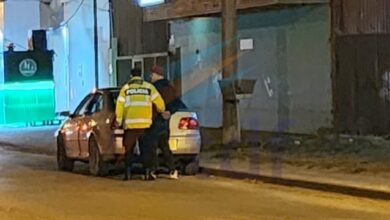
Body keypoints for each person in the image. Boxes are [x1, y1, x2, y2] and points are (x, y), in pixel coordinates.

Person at [115, 68, 167, 181]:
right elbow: (161, 104)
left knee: (129, 149)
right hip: (145, 125)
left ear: (131, 76)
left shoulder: (126, 89)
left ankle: (128, 174)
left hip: (130, 125)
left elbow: (119, 107)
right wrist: (161, 111)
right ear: (140, 76)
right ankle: (147, 173)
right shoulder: (148, 87)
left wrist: (119, 121)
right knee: (146, 149)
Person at [141, 65, 186, 180]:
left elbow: (150, 104)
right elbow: (178, 103)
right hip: (165, 122)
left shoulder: (152, 88)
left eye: (152, 74)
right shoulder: (170, 88)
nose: (150, 76)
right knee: (165, 146)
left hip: (154, 120)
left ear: (156, 75)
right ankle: (173, 170)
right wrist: (169, 112)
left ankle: (152, 171)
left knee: (151, 147)